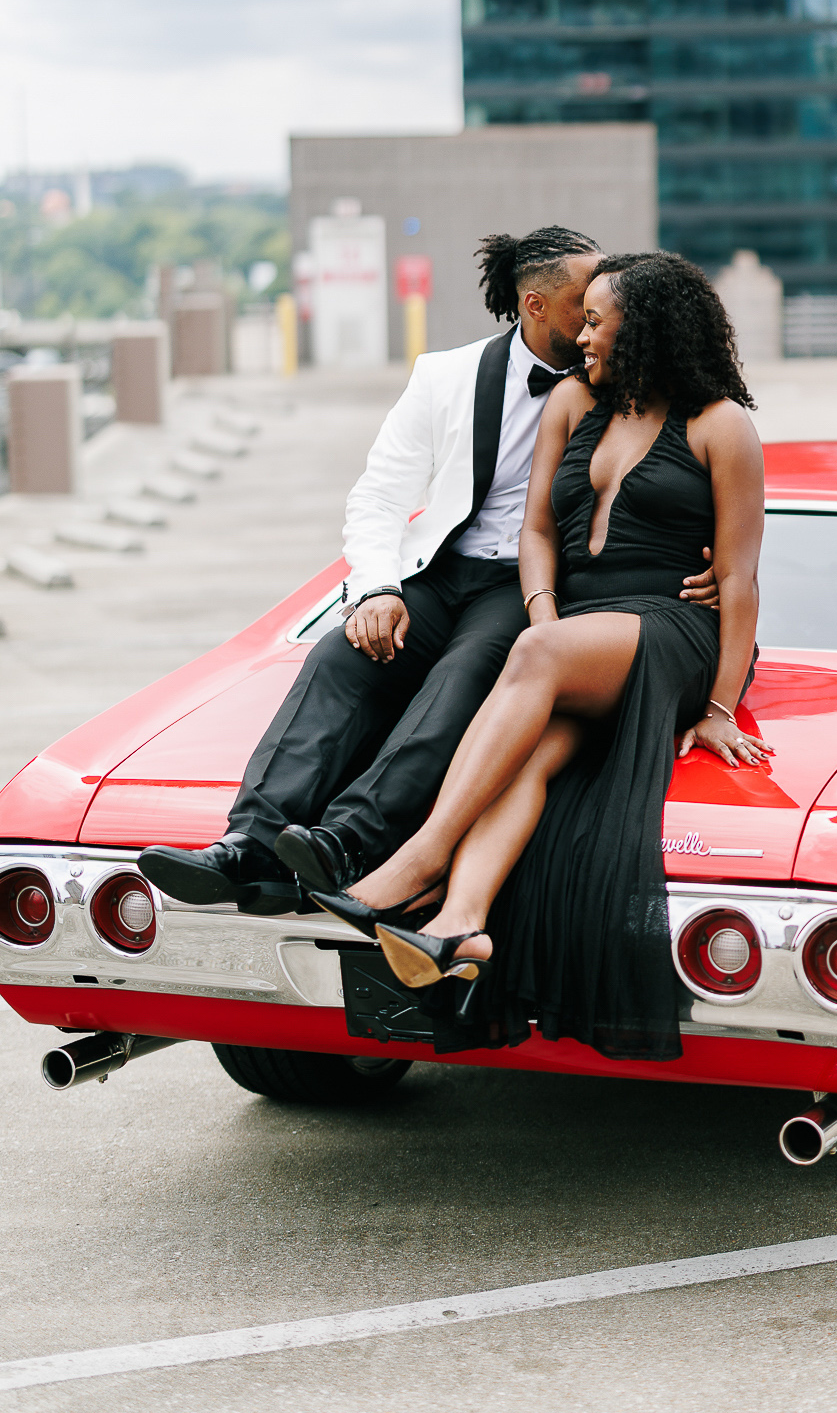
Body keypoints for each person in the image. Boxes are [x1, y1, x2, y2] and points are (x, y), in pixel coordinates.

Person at [140, 228, 718, 916]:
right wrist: (378, 588)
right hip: (441, 568)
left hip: (527, 584)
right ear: (535, 305)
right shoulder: (443, 377)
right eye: (581, 305)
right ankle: (246, 848)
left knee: (467, 673)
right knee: (338, 657)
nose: (595, 313)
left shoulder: (618, 384)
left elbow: (682, 473)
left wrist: (703, 563)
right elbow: (379, 495)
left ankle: (349, 841)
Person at [323, 249, 769, 1064]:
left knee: (535, 662)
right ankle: (460, 923)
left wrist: (717, 709)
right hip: (573, 634)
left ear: (649, 329)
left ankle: (418, 860)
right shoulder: (573, 401)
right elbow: (534, 530)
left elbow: (738, 579)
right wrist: (545, 612)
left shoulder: (720, 425)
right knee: (526, 762)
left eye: (597, 321)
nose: (581, 335)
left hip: (671, 632)